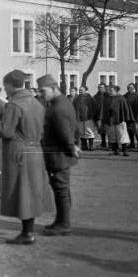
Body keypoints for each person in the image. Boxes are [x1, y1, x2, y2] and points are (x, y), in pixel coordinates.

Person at [0, 70, 53, 245]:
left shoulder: (14, 105)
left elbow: (6, 131)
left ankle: (26, 233)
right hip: (35, 151)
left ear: (10, 85)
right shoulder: (36, 103)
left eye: (5, 86)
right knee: (30, 191)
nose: (4, 90)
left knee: (22, 192)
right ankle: (28, 231)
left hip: (19, 152)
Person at [38, 74, 78, 236]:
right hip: (58, 155)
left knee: (61, 189)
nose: (41, 94)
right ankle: (60, 220)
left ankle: (64, 223)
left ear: (54, 88)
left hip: (58, 156)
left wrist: (71, 149)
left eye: (43, 91)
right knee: (60, 188)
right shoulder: (60, 103)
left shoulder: (59, 107)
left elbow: (65, 133)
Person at [103, 85, 133, 156]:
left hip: (119, 119)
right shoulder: (107, 98)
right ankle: (115, 150)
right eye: (109, 90)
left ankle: (125, 150)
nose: (109, 91)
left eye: (111, 90)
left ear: (115, 91)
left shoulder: (121, 98)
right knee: (112, 135)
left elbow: (125, 108)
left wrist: (125, 118)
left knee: (122, 134)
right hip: (110, 120)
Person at [72, 86, 96, 151]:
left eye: (82, 90)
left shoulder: (90, 98)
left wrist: (93, 115)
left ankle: (91, 146)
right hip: (79, 118)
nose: (80, 91)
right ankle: (84, 146)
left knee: (89, 131)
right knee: (81, 131)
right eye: (80, 90)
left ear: (85, 90)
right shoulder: (76, 98)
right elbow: (73, 107)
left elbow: (94, 107)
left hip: (88, 117)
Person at [92, 83, 108, 150]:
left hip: (106, 116)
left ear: (105, 88)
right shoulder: (96, 96)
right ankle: (103, 143)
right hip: (98, 116)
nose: (100, 88)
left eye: (102, 87)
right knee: (101, 130)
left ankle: (111, 144)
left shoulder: (108, 95)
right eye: (99, 87)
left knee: (108, 130)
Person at [123, 83, 138, 150]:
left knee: (137, 131)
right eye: (128, 87)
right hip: (128, 115)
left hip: (135, 115)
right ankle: (132, 143)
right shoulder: (125, 96)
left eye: (131, 87)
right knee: (129, 130)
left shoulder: (137, 96)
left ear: (134, 88)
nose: (130, 89)